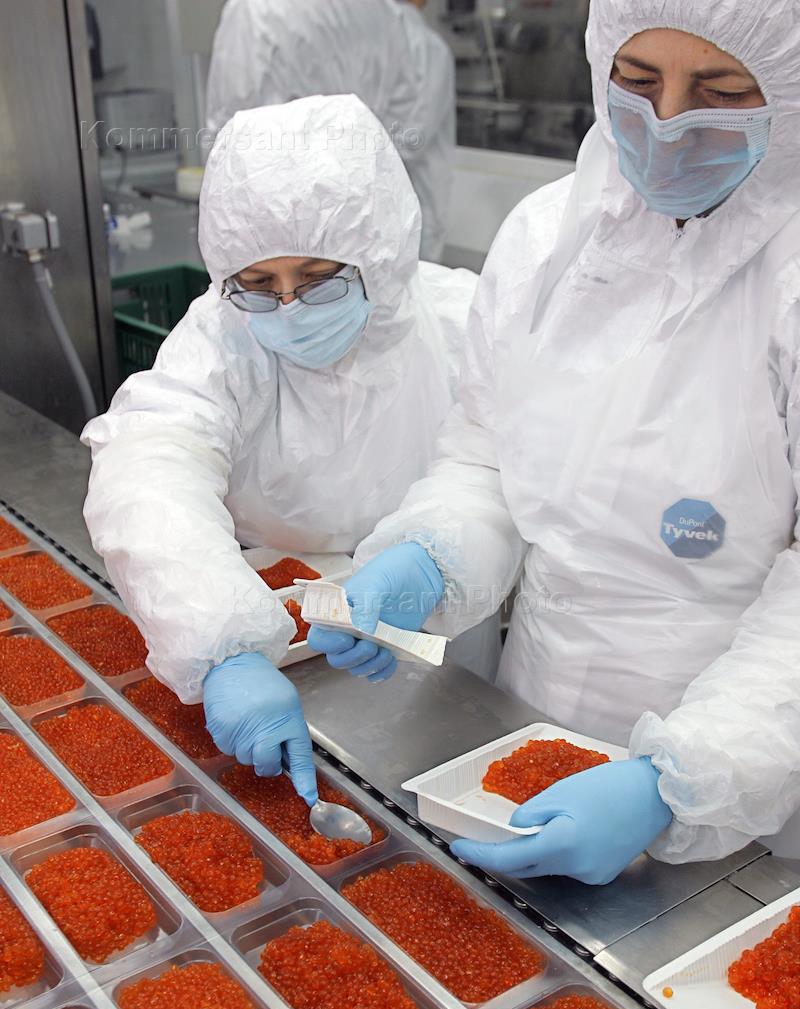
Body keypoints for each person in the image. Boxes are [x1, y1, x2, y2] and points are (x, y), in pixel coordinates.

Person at [310, 0, 800, 882]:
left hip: (746, 774)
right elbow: (486, 459)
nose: (666, 123)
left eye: (720, 93)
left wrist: (682, 781)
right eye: (637, 82)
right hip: (525, 717)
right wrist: (430, 558)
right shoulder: (548, 239)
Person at [82, 94, 478, 807]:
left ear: (379, 254)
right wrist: (222, 644)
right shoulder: (222, 334)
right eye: (261, 284)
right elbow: (150, 463)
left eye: (319, 278)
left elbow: (502, 471)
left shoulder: (460, 323)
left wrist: (434, 562)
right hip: (271, 632)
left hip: (436, 639)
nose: (289, 309)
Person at [205, 0, 455, 261]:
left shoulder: (255, 9)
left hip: (275, 210)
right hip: (359, 210)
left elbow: (229, 123)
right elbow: (400, 119)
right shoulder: (383, 14)